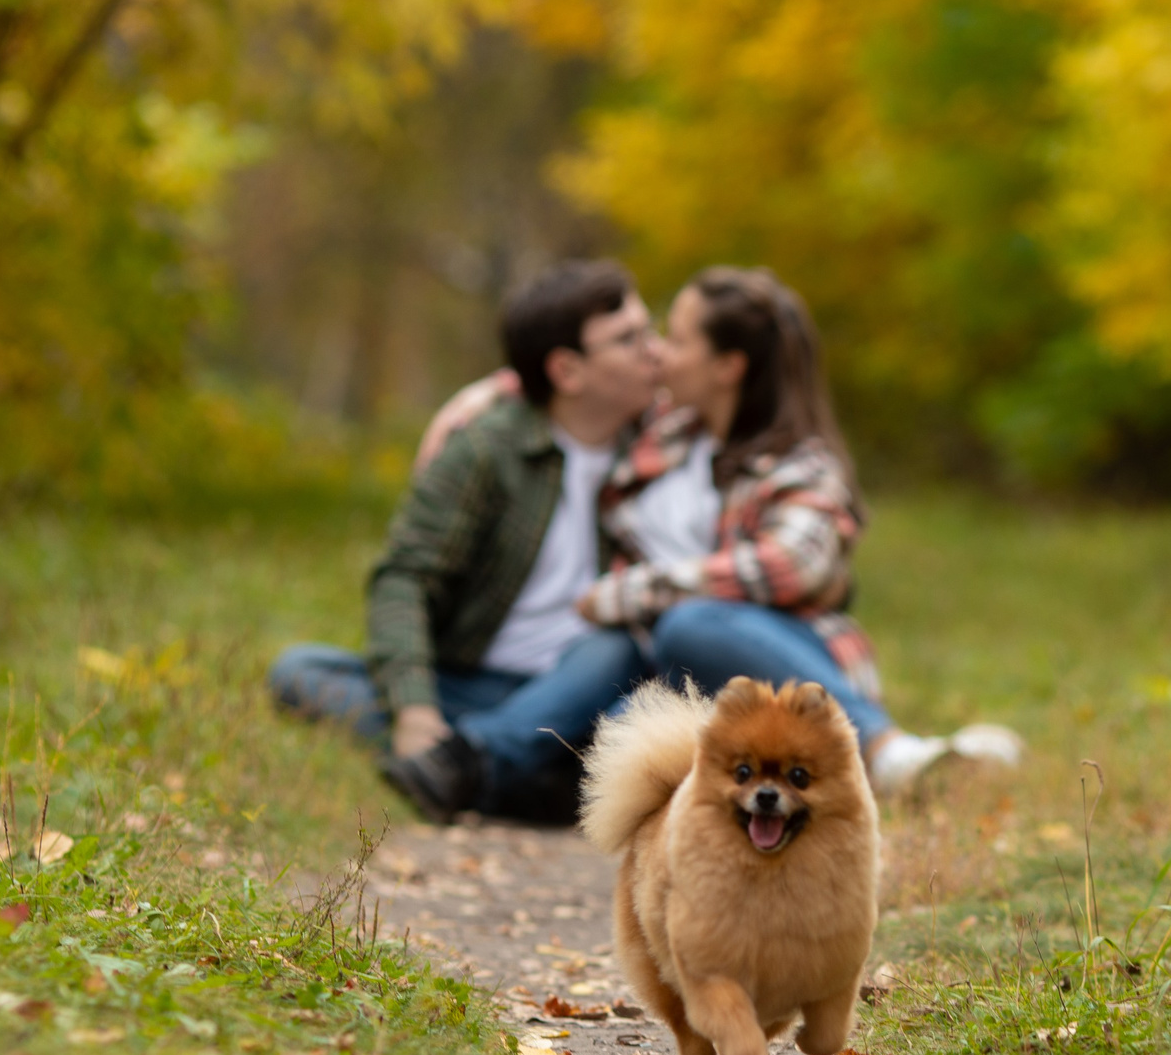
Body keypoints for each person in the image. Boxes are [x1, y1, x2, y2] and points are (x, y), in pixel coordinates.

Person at [418, 266, 1020, 795]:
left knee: (692, 624)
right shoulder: (665, 431)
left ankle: (884, 751)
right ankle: (479, 763)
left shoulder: (801, 466)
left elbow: (791, 565)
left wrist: (638, 591)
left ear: (727, 366)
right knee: (613, 727)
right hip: (669, 679)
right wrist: (488, 394)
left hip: (770, 672)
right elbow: (577, 378)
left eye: (675, 339)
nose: (656, 352)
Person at [265, 259, 662, 822]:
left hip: (591, 690)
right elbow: (404, 579)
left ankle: (464, 763)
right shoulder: (485, 449)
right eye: (630, 339)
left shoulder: (668, 449)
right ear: (567, 372)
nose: (657, 350)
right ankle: (522, 771)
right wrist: (415, 710)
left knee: (617, 650)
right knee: (299, 670)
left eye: (650, 330)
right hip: (475, 684)